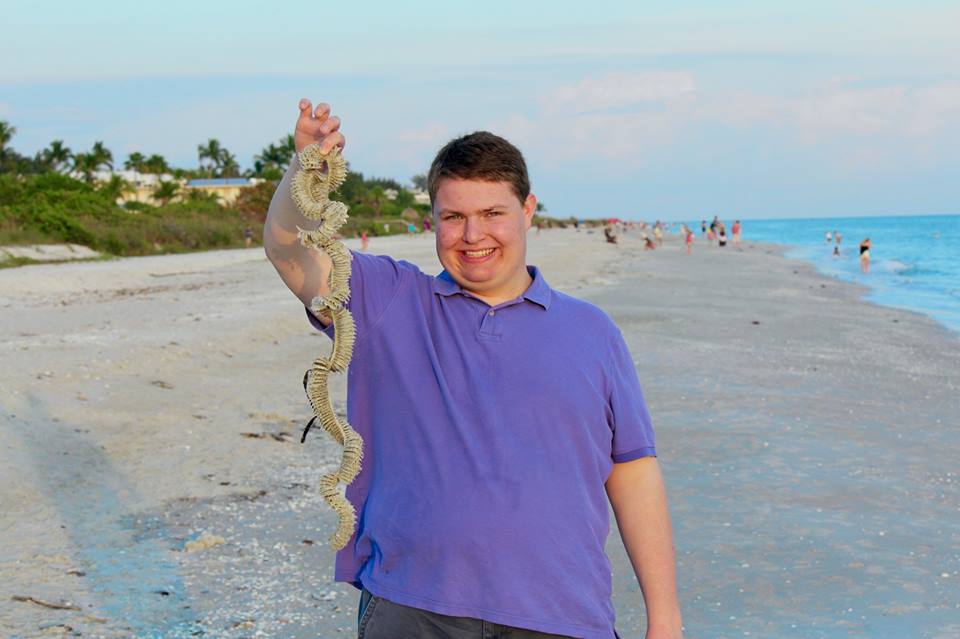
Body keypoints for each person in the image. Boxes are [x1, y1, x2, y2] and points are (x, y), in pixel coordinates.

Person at [263, 99, 683, 639]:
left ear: (528, 210)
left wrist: (665, 620)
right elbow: (288, 249)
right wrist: (306, 171)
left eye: (492, 214)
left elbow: (632, 470)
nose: (472, 235)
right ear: (433, 219)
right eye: (454, 217)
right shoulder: (389, 301)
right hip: (411, 606)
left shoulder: (593, 332)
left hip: (562, 614)